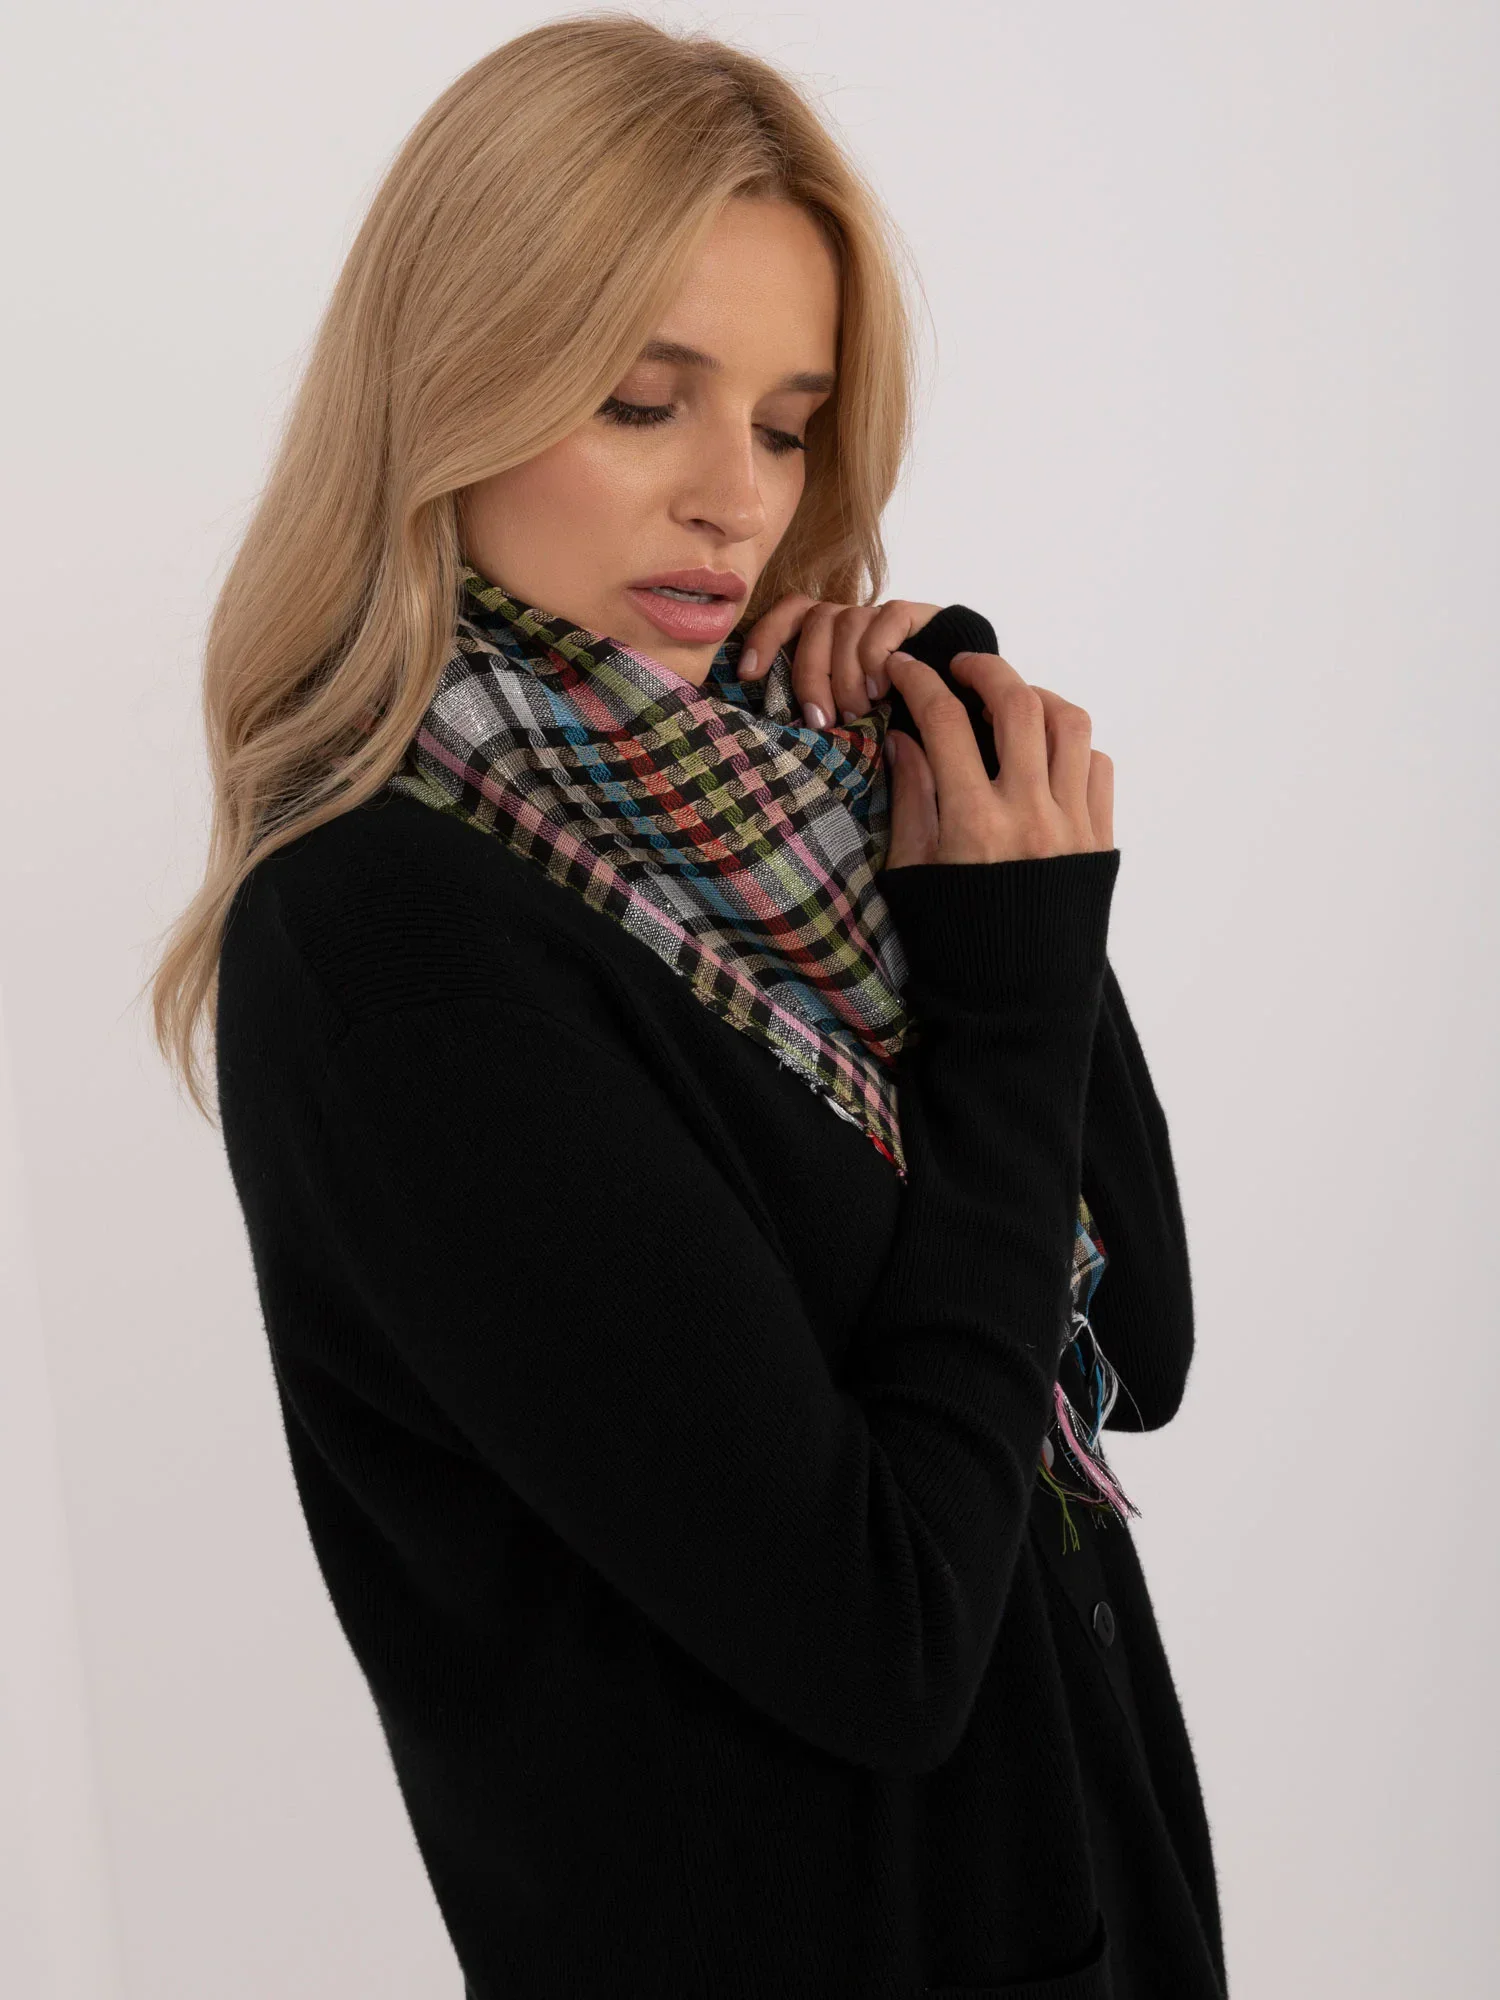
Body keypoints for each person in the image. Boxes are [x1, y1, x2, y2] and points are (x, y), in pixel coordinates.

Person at [149, 15, 1227, 1997]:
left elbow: (1131, 1342)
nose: (737, 498)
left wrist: (986, 853)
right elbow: (889, 1636)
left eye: (789, 424)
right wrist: (1003, 1004)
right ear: (450, 391)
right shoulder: (388, 941)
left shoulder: (797, 827)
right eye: (646, 402)